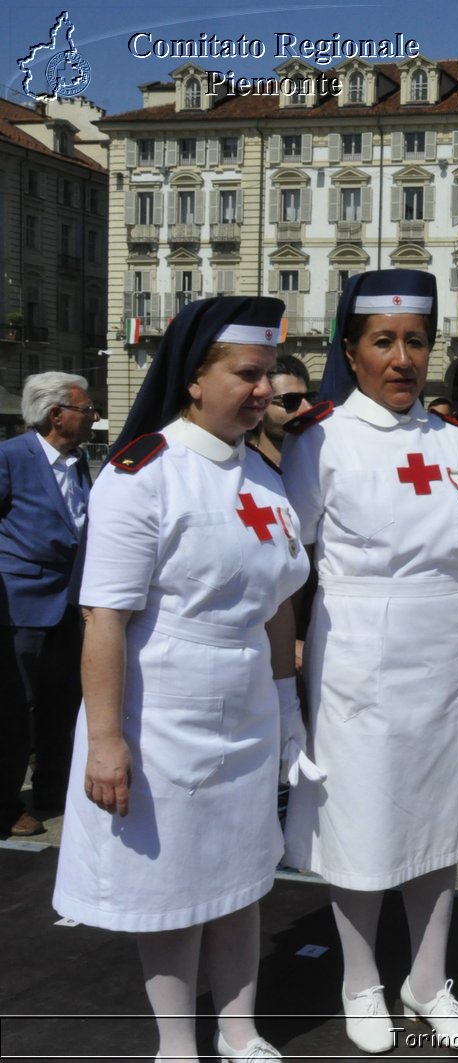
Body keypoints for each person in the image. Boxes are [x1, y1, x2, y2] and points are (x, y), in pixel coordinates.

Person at [52, 297, 310, 1063]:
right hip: (161, 709)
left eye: (269, 374)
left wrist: (289, 708)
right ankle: (176, 1044)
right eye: (248, 374)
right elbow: (104, 619)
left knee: (242, 874)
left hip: (248, 707)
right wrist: (105, 742)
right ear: (195, 379)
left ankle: (241, 1031)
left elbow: (276, 605)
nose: (264, 390)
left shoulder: (263, 478)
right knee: (173, 886)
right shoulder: (142, 475)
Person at [281, 269, 458, 1053]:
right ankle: (361, 978)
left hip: (447, 647)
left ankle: (429, 978)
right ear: (352, 349)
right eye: (383, 342)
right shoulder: (322, 441)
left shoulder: (454, 442)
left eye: (415, 341)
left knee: (440, 819)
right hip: (360, 653)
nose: (402, 358)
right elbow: (289, 561)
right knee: (365, 821)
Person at [0, 372, 94, 835]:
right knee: (17, 707)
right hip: (21, 607)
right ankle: (5, 804)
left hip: (70, 605)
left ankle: (53, 791)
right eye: (85, 408)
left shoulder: (77, 462)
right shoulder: (11, 457)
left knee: (63, 703)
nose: (92, 416)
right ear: (57, 414)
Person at [251, 355, 312, 467]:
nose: (307, 408)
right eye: (291, 400)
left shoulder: (320, 467)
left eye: (308, 398)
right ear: (258, 410)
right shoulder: (242, 473)